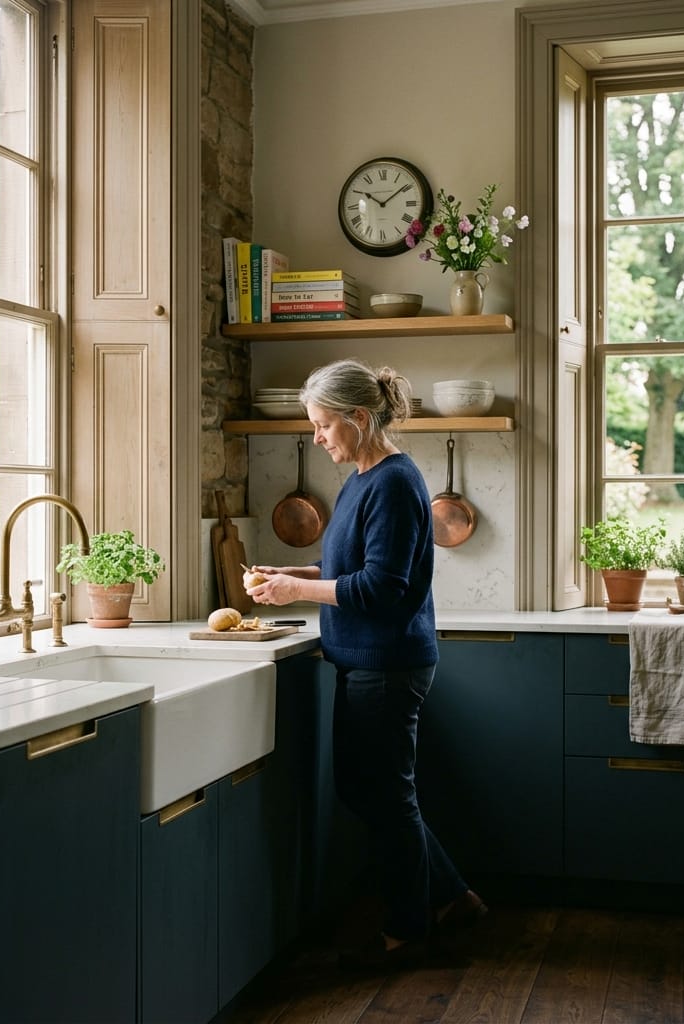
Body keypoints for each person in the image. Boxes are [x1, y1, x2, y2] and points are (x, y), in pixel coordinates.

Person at [245, 357, 486, 970]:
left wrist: (297, 594)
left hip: (389, 662)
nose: (318, 437)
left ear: (358, 417)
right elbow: (344, 571)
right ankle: (454, 898)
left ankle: (410, 926)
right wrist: (287, 574)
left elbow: (381, 588)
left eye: (324, 425)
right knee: (368, 791)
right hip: (363, 660)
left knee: (386, 796)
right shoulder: (359, 479)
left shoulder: (396, 483)